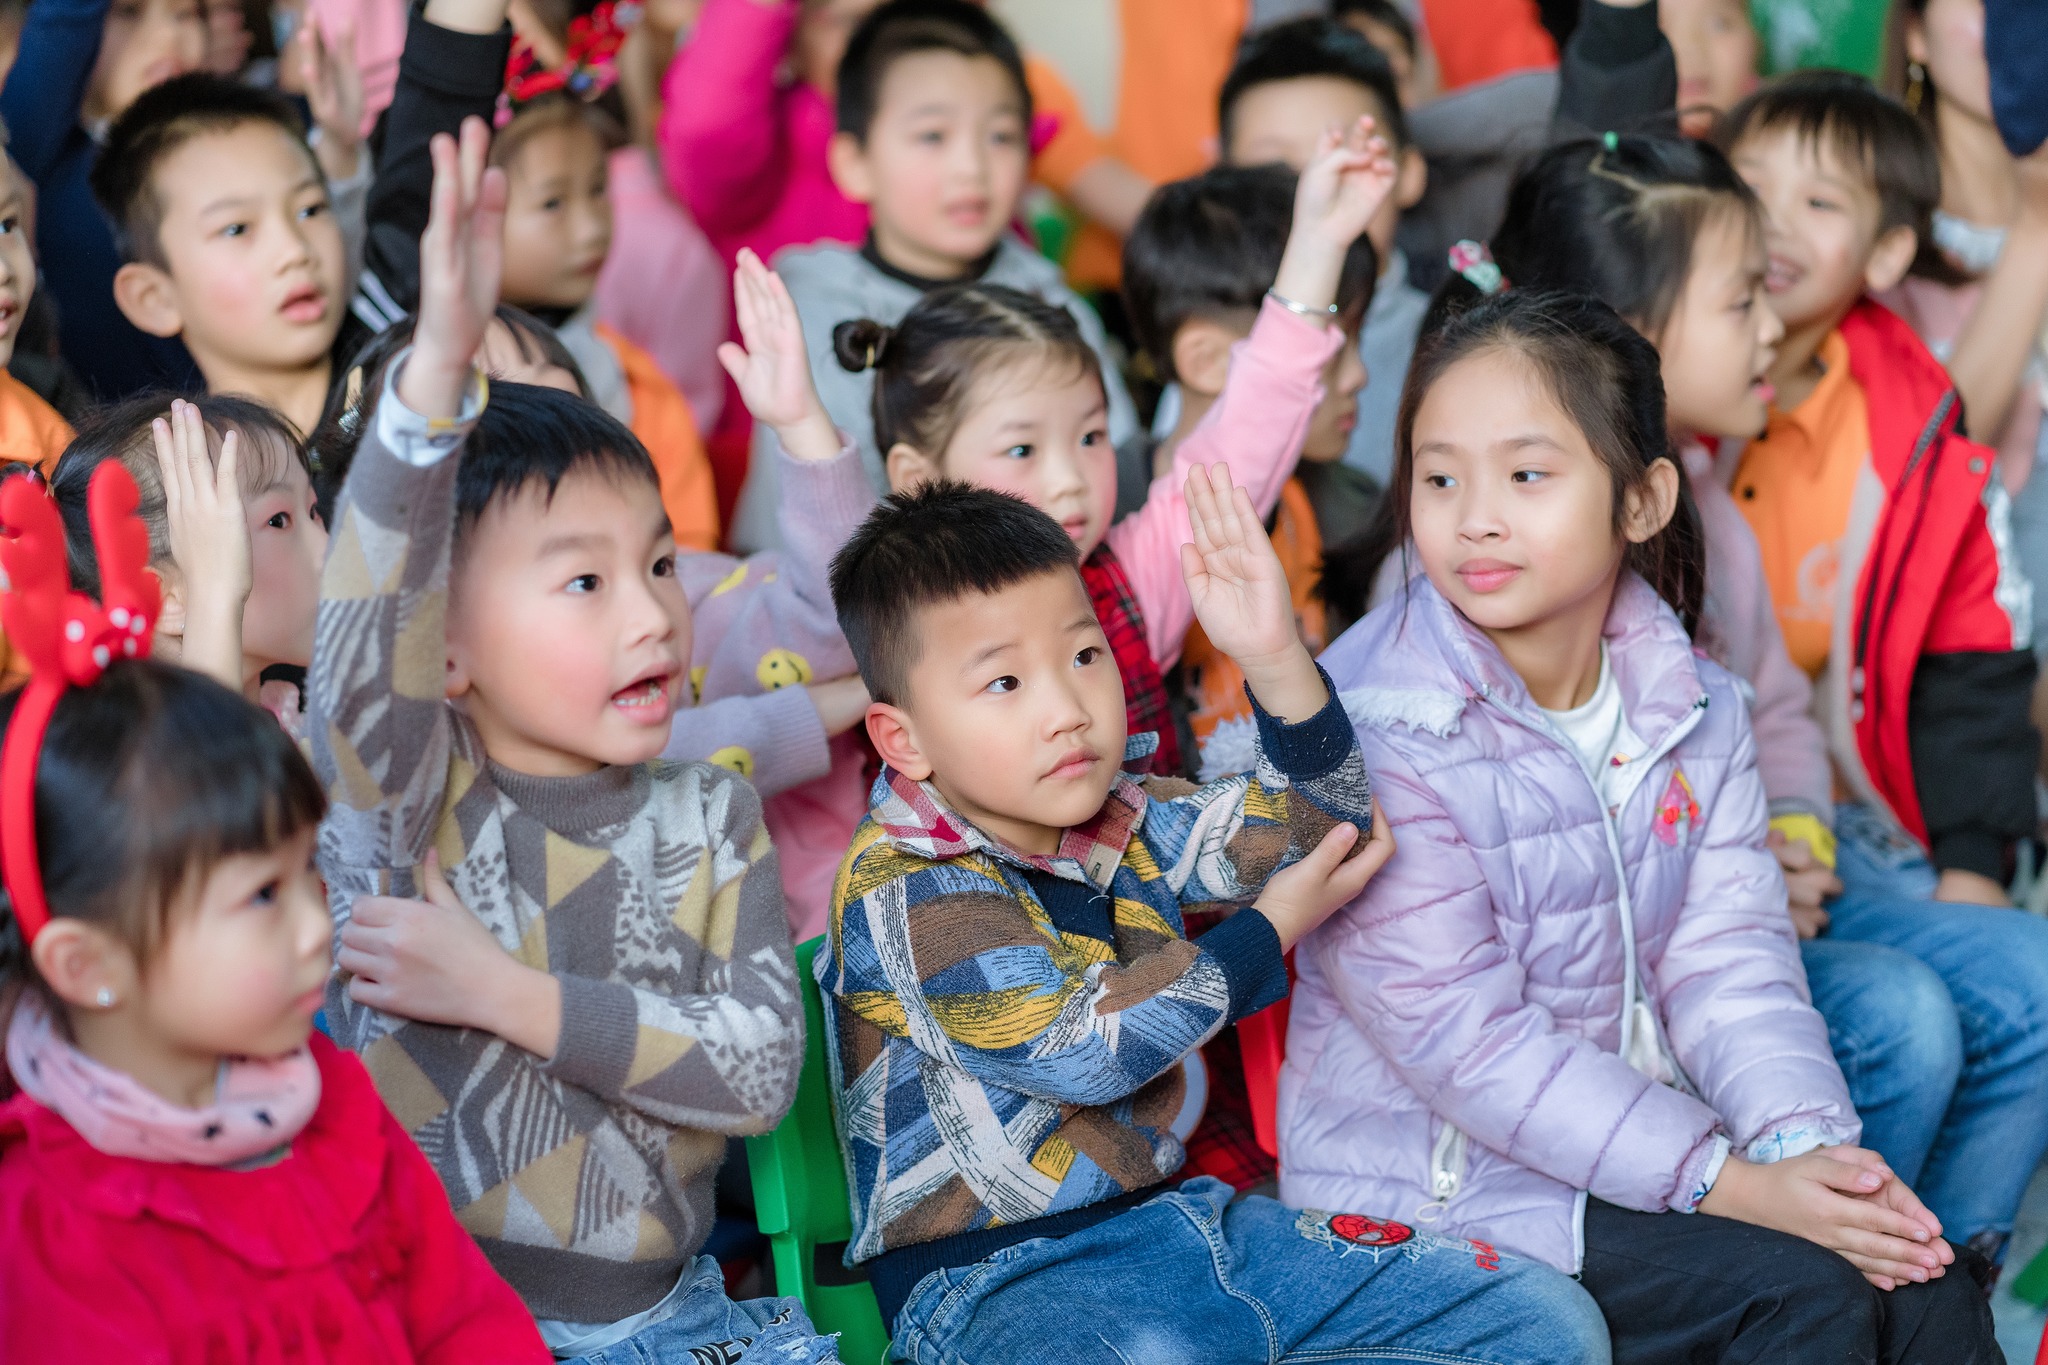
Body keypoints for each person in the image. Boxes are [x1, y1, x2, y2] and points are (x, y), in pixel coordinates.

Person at [1289, 287, 2001, 1362]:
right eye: (1439, 478)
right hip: (1445, 1182)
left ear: (1642, 499)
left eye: (1526, 476)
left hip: (1631, 1148)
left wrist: (1807, 1156)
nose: (1475, 517)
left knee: (1922, 1280)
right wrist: (1729, 1182)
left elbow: (1729, 963)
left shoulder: (1689, 702)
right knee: (1805, 1297)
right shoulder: (1381, 727)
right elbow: (1470, 1047)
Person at [815, 472, 1614, 1363]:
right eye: (1005, 680)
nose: (1068, 709)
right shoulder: (900, 885)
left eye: (1084, 656)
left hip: (1186, 1227)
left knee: (1542, 1321)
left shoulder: (1126, 816)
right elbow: (1082, 1049)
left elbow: (1319, 827)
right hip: (1001, 1286)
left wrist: (1272, 657)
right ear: (904, 739)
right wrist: (1264, 932)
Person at [311, 118, 839, 1361]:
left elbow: (759, 1070)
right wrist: (431, 383)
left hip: (669, 1319)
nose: (654, 613)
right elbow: (362, 639)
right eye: (584, 583)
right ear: (447, 648)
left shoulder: (708, 812)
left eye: (655, 565)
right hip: (431, 1329)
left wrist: (502, 994)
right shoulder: (403, 809)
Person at [1481, 128, 2048, 1275]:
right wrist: (1734, 865)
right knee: (1900, 1019)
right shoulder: (1517, 539)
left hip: (1757, 883)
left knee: (2029, 978)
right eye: (1739, 302)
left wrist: (1792, 831)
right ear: (1632, 332)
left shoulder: (1699, 492)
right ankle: (1846, 1290)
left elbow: (1773, 709)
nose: (1770, 328)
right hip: (1641, 942)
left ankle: (1945, 1288)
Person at [0, 470, 547, 1360]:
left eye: (305, 876)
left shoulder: (332, 1100)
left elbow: (467, 1323)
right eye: (261, 894)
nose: (313, 928)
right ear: (87, 964)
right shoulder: (49, 1234)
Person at [1716, 74, 2037, 903]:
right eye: (1749, 185)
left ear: (1887, 253)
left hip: (1855, 816)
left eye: (1820, 202)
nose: (1774, 221)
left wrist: (1973, 864)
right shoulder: (1654, 396)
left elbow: (1969, 656)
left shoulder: (1913, 429)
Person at [725, 0, 1139, 554]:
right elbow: (815, 546)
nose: (971, 168)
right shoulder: (814, 322)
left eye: (1000, 136)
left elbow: (1124, 478)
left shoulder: (1052, 305)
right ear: (854, 163)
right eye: (932, 136)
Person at [1121, 161, 1376, 769]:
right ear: (1210, 360)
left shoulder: (1353, 508)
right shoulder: (1110, 518)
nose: (1360, 376)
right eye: (1330, 346)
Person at [0, 0, 366, 400]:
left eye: (186, 14)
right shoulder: (42, 155)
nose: (169, 35)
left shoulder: (253, 141)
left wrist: (339, 150)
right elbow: (64, 18)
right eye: (129, 12)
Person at [489, 78, 722, 551]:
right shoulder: (429, 387)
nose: (592, 228)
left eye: (598, 189)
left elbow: (690, 553)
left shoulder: (643, 389)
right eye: (553, 202)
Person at [1213, 17, 1427, 492]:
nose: (1318, 191)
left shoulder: (1453, 343)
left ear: (1409, 172)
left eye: (1344, 161)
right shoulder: (1212, 340)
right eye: (1277, 170)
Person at [94, 76, 360, 440]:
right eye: (236, 229)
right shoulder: (185, 473)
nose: (295, 251)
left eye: (310, 209)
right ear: (155, 298)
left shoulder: (410, 383)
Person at [50, 395, 325, 732]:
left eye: (313, 511)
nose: (326, 547)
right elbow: (213, 759)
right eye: (278, 520)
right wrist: (214, 594)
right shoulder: (157, 752)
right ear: (166, 599)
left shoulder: (288, 717)